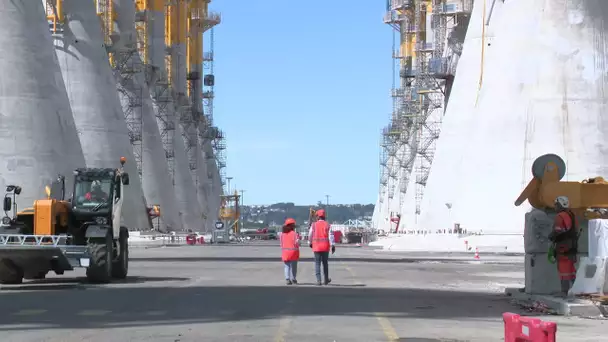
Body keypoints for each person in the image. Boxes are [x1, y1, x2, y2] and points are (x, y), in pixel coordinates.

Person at [548, 196, 579, 297]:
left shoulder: (560, 216)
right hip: (572, 246)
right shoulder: (572, 215)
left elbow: (557, 231)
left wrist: (550, 237)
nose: (555, 207)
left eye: (556, 205)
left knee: (564, 270)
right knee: (571, 270)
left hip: (563, 247)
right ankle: (576, 290)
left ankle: (564, 292)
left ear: (560, 205)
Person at [309, 209, 335, 286]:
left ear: (318, 216)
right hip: (325, 247)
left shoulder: (313, 225)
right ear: (324, 216)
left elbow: (310, 235)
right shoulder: (328, 225)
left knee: (317, 264)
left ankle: (318, 280)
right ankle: (326, 280)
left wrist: (310, 243)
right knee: (325, 263)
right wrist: (333, 245)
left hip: (316, 247)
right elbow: (331, 236)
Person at [280, 218, 300, 285]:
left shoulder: (282, 234)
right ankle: (293, 278)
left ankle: (287, 279)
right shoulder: (294, 234)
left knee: (287, 266)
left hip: (285, 252)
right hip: (293, 253)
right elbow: (297, 243)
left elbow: (281, 244)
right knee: (293, 267)